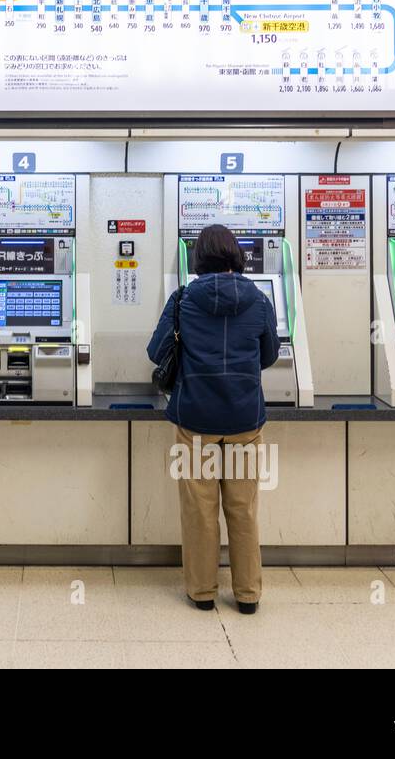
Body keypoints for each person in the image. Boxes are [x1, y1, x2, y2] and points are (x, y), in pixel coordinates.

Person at [147, 223, 279, 614]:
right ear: (236, 255)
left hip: (196, 423)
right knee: (243, 509)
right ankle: (248, 595)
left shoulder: (183, 298)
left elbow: (156, 351)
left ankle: (203, 592)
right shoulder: (258, 301)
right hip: (244, 420)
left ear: (198, 258)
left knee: (199, 509)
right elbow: (269, 355)